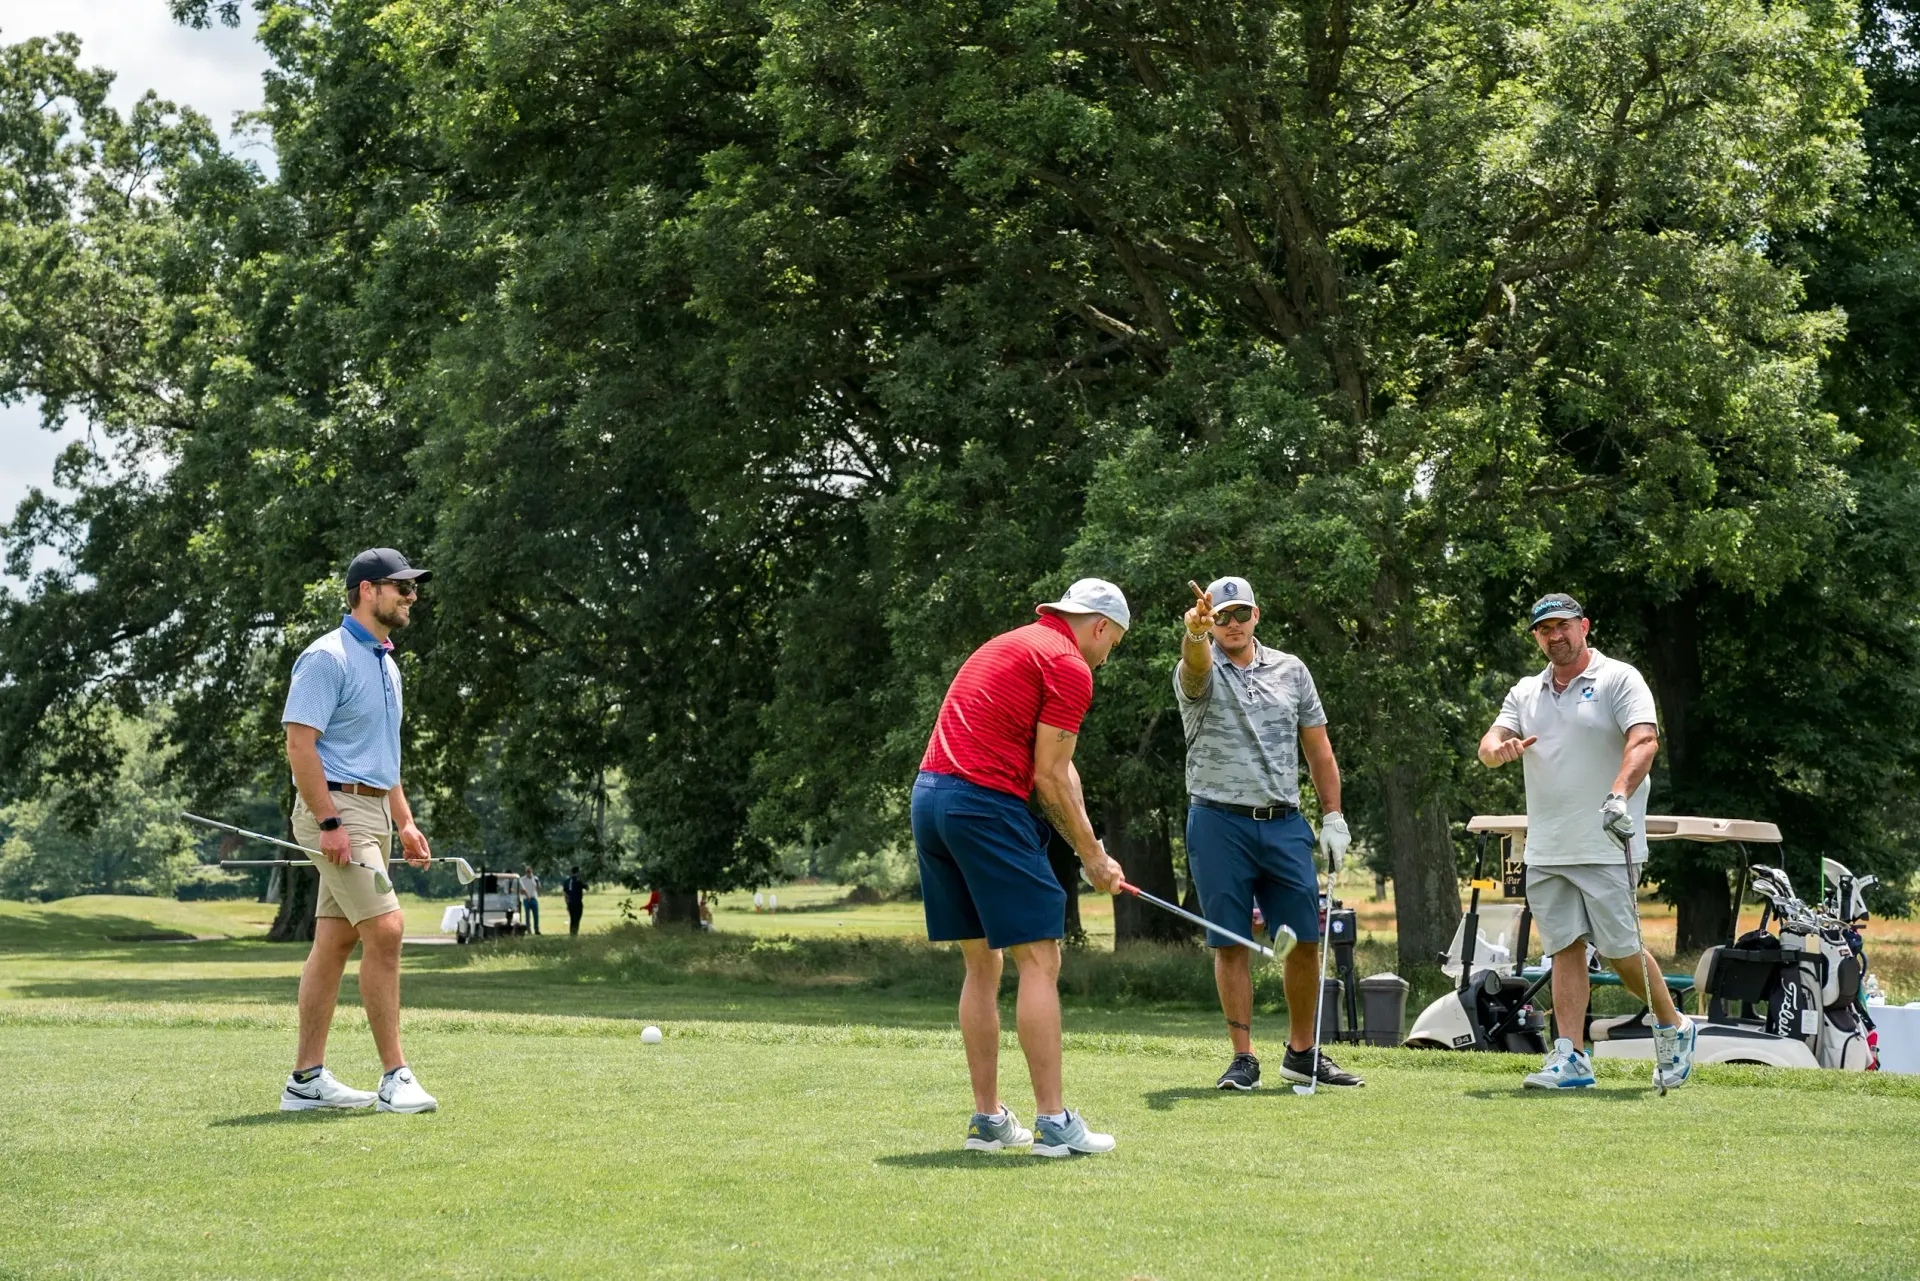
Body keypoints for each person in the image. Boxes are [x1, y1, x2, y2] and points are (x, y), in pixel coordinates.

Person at [912, 578, 1129, 1158]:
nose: (1109, 656)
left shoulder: (1014, 643)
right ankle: (1055, 1125)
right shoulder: (1069, 664)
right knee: (1041, 957)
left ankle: (988, 1123)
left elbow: (1064, 768)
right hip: (983, 803)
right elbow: (1049, 779)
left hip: (931, 800)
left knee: (982, 963)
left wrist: (1097, 852)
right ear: (1100, 626)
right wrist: (1089, 858)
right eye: (1114, 643)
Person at [1478, 592, 1696, 1090]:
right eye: (1544, 629)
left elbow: (1644, 740)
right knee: (1563, 949)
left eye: (1563, 626)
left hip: (1605, 841)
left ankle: (1674, 1026)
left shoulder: (1620, 678)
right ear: (1536, 636)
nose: (1555, 635)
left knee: (1621, 953)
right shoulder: (1525, 692)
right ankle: (1571, 1056)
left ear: (1584, 626)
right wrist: (1499, 750)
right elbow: (1489, 746)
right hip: (1548, 845)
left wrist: (1619, 794)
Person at [1176, 577, 1361, 1091]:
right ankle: (1243, 1057)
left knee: (1304, 939)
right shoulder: (1201, 666)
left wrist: (1333, 816)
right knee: (1232, 942)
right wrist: (1194, 635)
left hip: (1283, 822)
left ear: (1256, 615)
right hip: (1217, 821)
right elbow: (1194, 668)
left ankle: (1302, 1053)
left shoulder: (1292, 669)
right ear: (1211, 620)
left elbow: (1319, 750)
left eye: (1240, 614)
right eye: (1221, 617)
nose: (1231, 624)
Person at [278, 547, 438, 1114]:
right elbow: (301, 744)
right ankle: (396, 1076)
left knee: (336, 941)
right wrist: (327, 821)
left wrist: (406, 820)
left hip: (373, 814)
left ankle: (305, 1081)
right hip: (337, 813)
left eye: (413, 588)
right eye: (402, 587)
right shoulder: (327, 657)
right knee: (388, 930)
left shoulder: (387, 664)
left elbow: (382, 756)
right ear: (368, 590)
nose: (412, 596)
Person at [562, 867, 588, 935]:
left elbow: (565, 894)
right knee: (577, 920)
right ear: (577, 872)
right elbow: (587, 888)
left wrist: (567, 903)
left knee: (572, 920)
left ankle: (572, 934)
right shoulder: (579, 881)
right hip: (578, 903)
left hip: (570, 903)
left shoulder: (567, 881)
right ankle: (575, 934)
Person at [519, 867, 542, 935]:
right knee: (527, 915)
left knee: (536, 915)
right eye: (527, 871)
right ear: (526, 872)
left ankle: (536, 930)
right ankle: (528, 930)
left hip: (533, 898)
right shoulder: (522, 879)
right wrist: (524, 894)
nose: (529, 873)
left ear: (531, 871)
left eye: (530, 871)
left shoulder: (535, 878)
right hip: (526, 899)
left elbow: (539, 887)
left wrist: (538, 884)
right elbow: (520, 889)